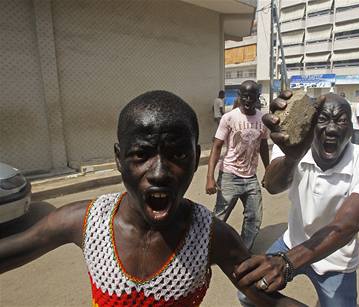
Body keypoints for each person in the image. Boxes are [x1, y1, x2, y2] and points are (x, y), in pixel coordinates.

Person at [0, 91, 306, 307]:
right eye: (142, 154)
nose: (159, 172)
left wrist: (293, 156)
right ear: (119, 158)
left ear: (195, 157)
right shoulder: (86, 221)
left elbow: (271, 301)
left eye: (177, 155)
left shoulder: (210, 236)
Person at [235, 92, 359, 307]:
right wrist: (292, 158)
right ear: (310, 125)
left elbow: (347, 225)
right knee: (247, 294)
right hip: (292, 242)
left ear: (351, 127)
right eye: (323, 119)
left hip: (336, 257)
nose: (332, 129)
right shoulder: (293, 147)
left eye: (341, 120)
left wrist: (286, 262)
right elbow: (272, 186)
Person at [206, 80, 270, 251]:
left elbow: (263, 146)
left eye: (252, 96)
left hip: (250, 177)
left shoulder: (263, 119)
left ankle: (243, 249)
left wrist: (268, 170)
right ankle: (207, 249)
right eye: (245, 96)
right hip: (229, 175)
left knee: (254, 217)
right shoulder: (229, 118)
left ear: (257, 97)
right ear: (240, 96)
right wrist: (210, 177)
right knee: (220, 217)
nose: (248, 100)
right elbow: (217, 146)